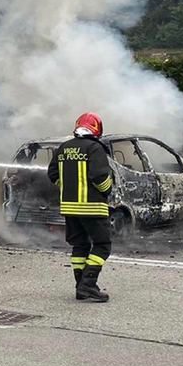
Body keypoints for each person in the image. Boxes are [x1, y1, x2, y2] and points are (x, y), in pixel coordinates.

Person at [48, 112, 114, 302]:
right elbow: (99, 176)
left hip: (69, 207)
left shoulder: (63, 147)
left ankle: (80, 286)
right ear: (97, 129)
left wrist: (68, 188)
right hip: (92, 206)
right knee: (102, 245)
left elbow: (52, 173)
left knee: (80, 245)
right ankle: (88, 285)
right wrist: (106, 190)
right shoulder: (95, 148)